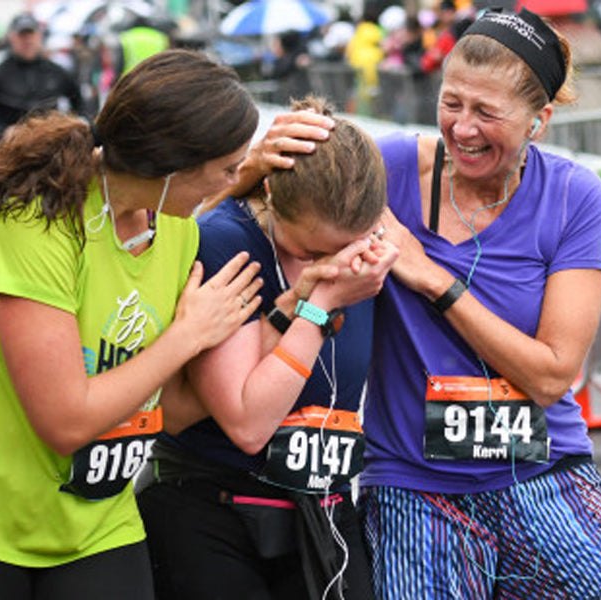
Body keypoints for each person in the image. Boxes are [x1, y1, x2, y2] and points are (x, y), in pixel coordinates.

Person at [0, 49, 263, 599]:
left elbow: (168, 410)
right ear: (174, 160)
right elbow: (64, 420)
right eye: (229, 167)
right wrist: (187, 337)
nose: (235, 181)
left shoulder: (176, 231)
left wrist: (300, 316)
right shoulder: (35, 222)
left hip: (96, 526)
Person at [367, 9, 601, 597]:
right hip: (414, 482)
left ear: (540, 120)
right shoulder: (389, 171)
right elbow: (281, 202)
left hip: (543, 472)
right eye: (451, 103)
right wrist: (258, 165)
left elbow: (552, 373)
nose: (462, 129)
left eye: (487, 113)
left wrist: (433, 280)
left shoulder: (572, 195)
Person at [136, 97, 396, 600]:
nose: (332, 262)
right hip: (215, 506)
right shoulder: (226, 241)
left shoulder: (366, 250)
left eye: (346, 246)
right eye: (309, 251)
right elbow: (249, 425)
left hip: (322, 508)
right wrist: (322, 305)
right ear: (272, 195)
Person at [0, 12, 84, 144]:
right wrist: (1, 132)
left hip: (50, 150)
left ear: (39, 36)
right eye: (22, 35)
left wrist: (70, 129)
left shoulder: (57, 72)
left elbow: (80, 104)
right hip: (10, 152)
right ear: (12, 37)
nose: (27, 40)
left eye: (31, 34)